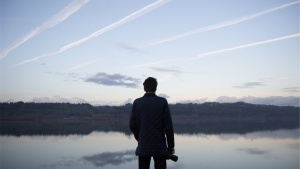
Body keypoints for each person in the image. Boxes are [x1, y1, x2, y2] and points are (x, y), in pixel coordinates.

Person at [129, 77, 175, 169]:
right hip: (159, 146)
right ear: (156, 87)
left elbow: (132, 125)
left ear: (144, 88)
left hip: (143, 146)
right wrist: (170, 146)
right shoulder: (162, 102)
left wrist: (140, 138)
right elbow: (168, 126)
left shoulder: (137, 102)